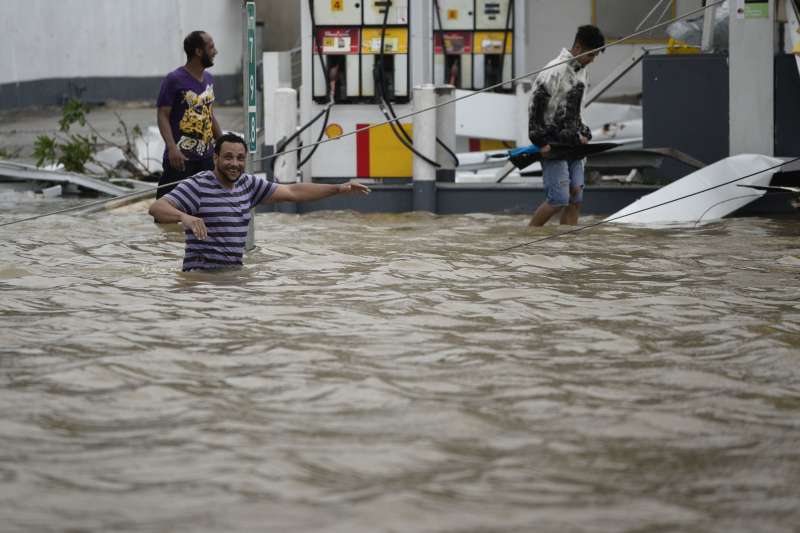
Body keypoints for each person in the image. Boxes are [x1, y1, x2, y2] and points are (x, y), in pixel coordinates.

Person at [148, 133, 371, 271]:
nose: (234, 163)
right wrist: (183, 217)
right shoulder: (198, 185)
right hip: (201, 282)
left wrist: (338, 188)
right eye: (227, 157)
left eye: (240, 158)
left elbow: (293, 191)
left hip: (233, 276)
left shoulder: (248, 185)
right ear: (215, 158)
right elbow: (157, 208)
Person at [528, 25, 605, 226]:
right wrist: (539, 141)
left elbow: (579, 109)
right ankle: (527, 238)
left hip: (575, 144)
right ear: (578, 47)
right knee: (558, 199)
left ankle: (566, 247)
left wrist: (584, 132)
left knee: (576, 198)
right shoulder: (555, 69)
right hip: (552, 144)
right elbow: (536, 104)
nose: (593, 60)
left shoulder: (583, 72)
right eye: (592, 54)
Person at [155, 30, 223, 199]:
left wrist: (222, 144)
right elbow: (162, 115)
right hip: (180, 160)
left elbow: (209, 114)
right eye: (211, 47)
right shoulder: (174, 79)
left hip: (206, 159)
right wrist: (172, 148)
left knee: (205, 213)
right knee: (167, 215)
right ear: (198, 51)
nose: (215, 52)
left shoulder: (209, 79)